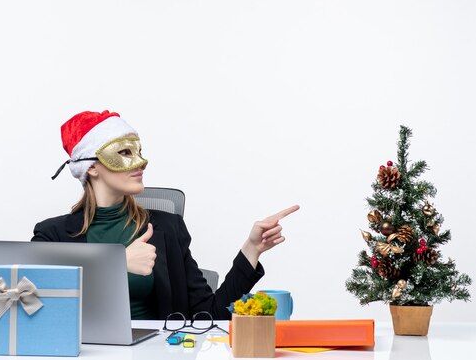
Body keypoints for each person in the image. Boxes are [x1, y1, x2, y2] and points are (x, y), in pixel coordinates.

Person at [31, 110, 299, 320]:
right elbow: (34, 304)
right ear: (91, 167)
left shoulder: (167, 228)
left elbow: (210, 314)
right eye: (123, 152)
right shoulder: (51, 235)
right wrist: (116, 263)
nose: (141, 162)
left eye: (138, 151)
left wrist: (251, 250)